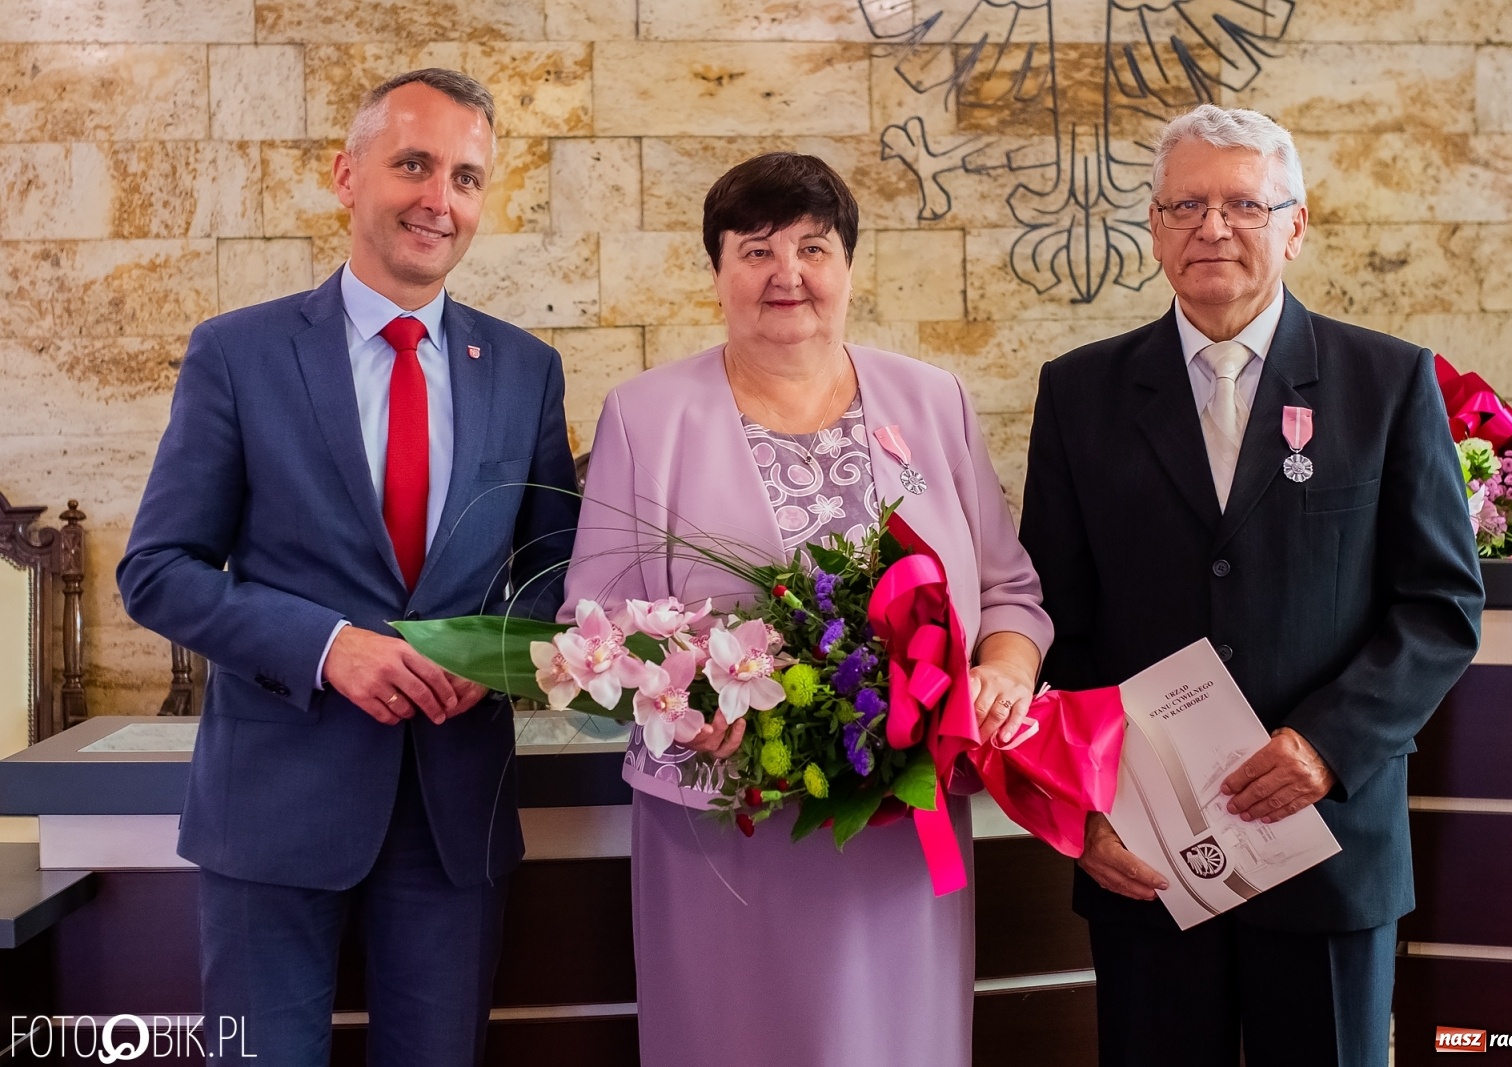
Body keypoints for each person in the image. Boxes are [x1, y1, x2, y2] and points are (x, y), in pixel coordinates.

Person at [117, 69, 578, 1066]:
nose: (437, 199)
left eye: (464, 176)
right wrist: (327, 647)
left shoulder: (527, 369)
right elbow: (156, 567)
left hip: (456, 817)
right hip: (272, 812)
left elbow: (555, 567)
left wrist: (495, 651)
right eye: (413, 163)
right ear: (347, 174)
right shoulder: (236, 354)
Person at [1018, 103, 1484, 1067]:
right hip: (1147, 856)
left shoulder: (1388, 383)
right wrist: (1085, 806)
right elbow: (1052, 622)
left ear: (1296, 225)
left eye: (1243, 203)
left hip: (1328, 843)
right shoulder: (1078, 394)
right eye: (1185, 205)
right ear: (1153, 227)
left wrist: (1329, 745)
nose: (1212, 227)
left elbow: (1439, 607)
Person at [561, 152, 1052, 1066]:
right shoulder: (645, 415)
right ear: (717, 274)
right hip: (725, 821)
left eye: (813, 248)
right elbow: (593, 625)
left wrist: (1002, 671)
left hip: (903, 827)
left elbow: (1008, 589)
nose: (787, 274)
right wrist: (687, 705)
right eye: (756, 250)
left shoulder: (932, 400)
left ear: (850, 269)